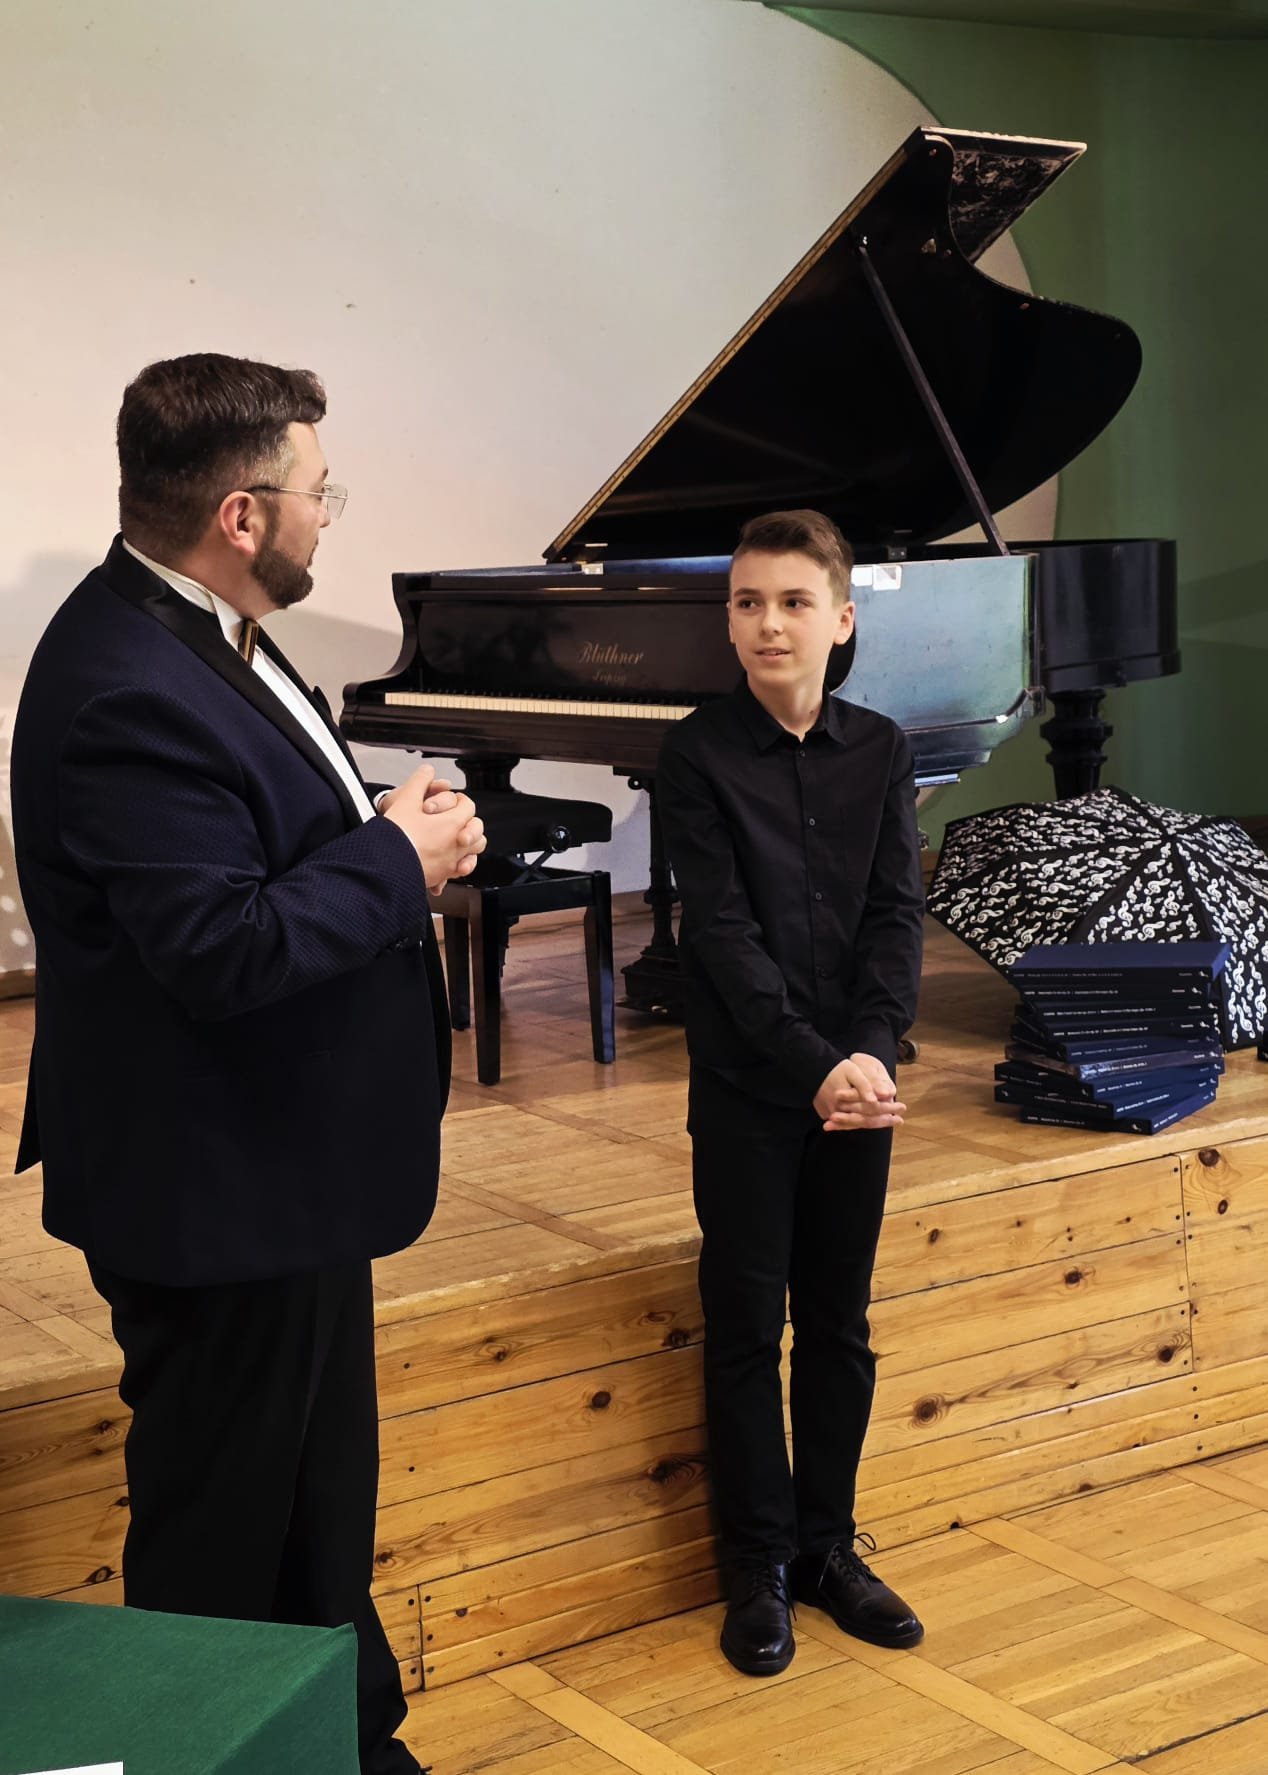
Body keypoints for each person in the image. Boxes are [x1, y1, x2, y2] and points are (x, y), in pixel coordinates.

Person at [10, 353, 483, 1775]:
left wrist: (376, 825)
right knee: (222, 1533)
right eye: (317, 490)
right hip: (213, 1186)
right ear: (240, 512)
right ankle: (204, 1756)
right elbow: (220, 947)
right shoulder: (125, 683)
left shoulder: (208, 623)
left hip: (285, 1165)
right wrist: (397, 859)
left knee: (318, 1498)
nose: (327, 512)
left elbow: (256, 841)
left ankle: (343, 1739)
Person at [655, 508, 925, 1677]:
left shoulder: (882, 749)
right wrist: (816, 1064)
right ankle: (756, 1566)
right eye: (746, 602)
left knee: (839, 1323)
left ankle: (826, 1549)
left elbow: (894, 914)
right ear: (728, 621)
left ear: (841, 618)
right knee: (743, 1326)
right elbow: (718, 936)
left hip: (855, 1085)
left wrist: (868, 1051)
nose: (768, 623)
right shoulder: (695, 755)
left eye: (792, 601)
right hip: (752, 1086)